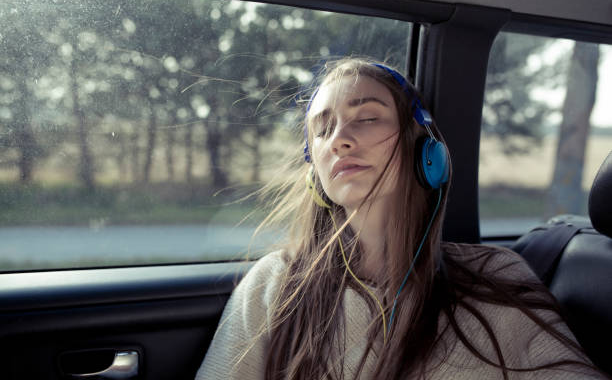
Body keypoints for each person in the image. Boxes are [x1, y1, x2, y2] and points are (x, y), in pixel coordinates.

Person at [195, 58, 604, 379]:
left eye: (368, 117)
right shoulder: (275, 284)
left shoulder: (497, 277)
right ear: (313, 170)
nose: (339, 139)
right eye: (322, 129)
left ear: (426, 152)